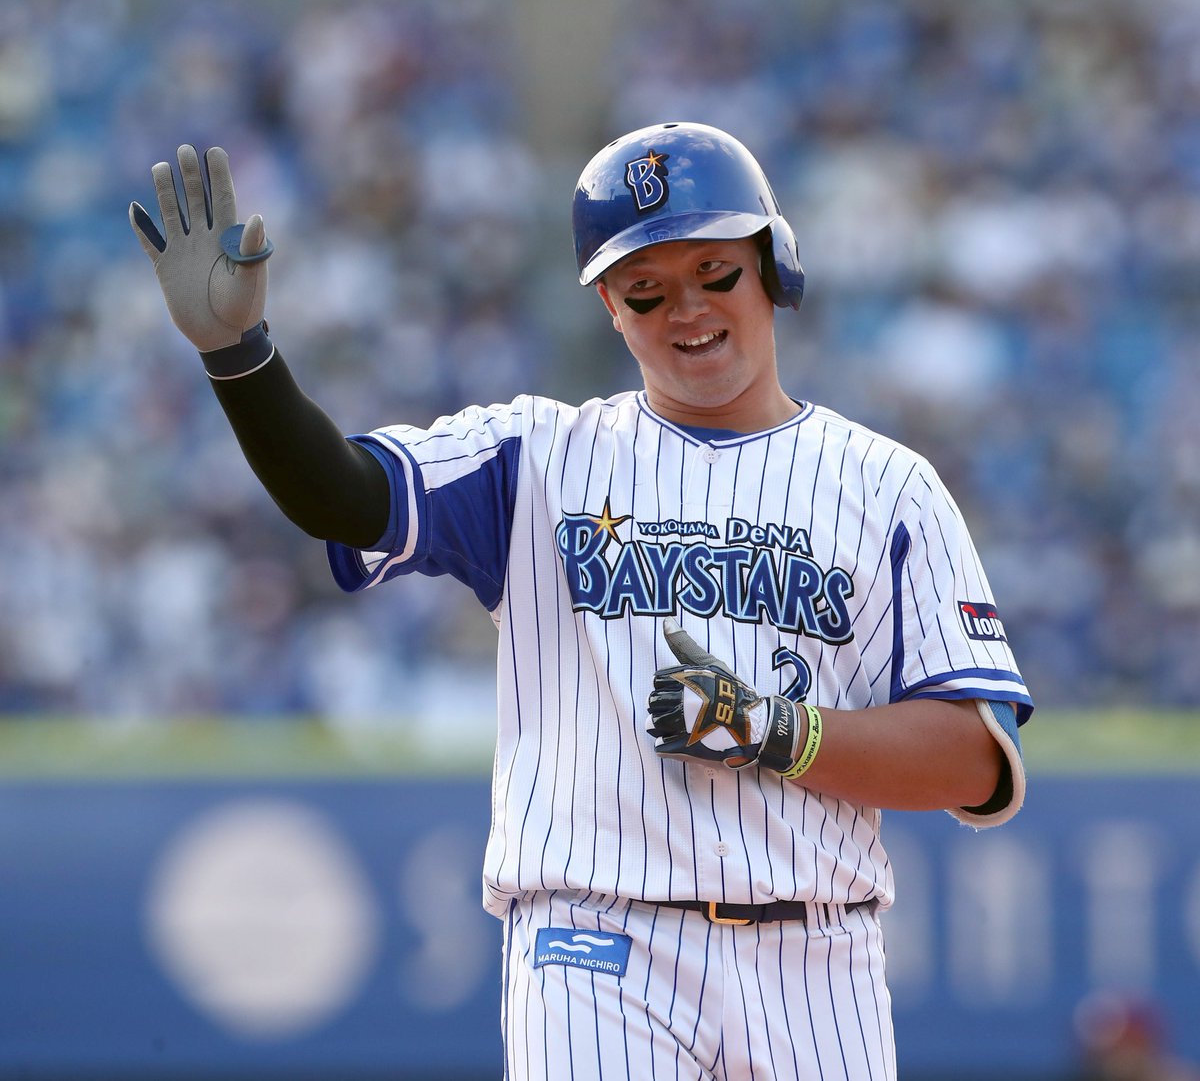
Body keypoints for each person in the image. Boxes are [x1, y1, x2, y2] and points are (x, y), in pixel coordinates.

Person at [130, 122, 1033, 1081]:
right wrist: (240, 359)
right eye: (646, 289)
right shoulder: (536, 457)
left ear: (776, 264)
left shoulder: (888, 486)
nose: (687, 309)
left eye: (714, 272)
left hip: (820, 956)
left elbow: (976, 763)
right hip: (597, 945)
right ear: (609, 305)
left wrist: (774, 730)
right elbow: (344, 500)